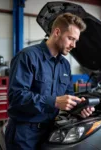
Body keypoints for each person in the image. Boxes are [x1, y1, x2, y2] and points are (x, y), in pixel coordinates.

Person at [5, 12, 95, 150]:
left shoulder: (65, 65)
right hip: (24, 134)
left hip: (51, 131)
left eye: (76, 40)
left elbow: (69, 96)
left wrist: (80, 109)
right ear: (57, 32)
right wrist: (54, 101)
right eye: (71, 38)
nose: (74, 45)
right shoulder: (27, 56)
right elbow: (16, 97)